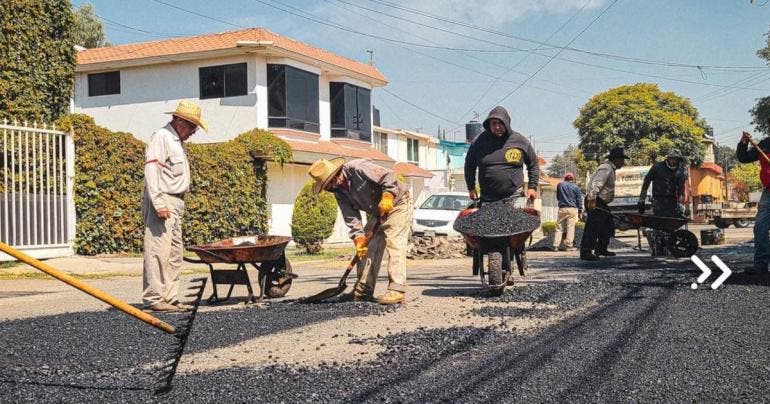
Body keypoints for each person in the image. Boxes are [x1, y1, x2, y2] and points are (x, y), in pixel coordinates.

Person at [308, 157, 413, 305]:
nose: (331, 186)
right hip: (378, 211)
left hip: (398, 203)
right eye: (327, 186)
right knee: (368, 247)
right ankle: (363, 291)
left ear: (337, 172)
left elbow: (388, 176)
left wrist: (388, 196)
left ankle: (397, 289)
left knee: (394, 243)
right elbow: (351, 217)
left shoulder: (357, 167)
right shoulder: (338, 191)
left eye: (331, 180)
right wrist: (358, 239)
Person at [142, 100, 207, 312]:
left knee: (174, 253)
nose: (194, 131)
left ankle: (169, 297)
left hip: (177, 202)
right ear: (179, 121)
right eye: (192, 127)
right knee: (158, 251)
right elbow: (152, 172)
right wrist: (159, 202)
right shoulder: (162, 138)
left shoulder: (177, 141)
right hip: (164, 199)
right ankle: (154, 297)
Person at [464, 106, 539, 203]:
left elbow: (533, 164)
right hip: (488, 198)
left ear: (507, 123)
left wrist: (532, 187)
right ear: (489, 124)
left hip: (514, 197)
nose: (497, 127)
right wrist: (471, 188)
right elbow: (469, 166)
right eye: (493, 123)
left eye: (500, 123)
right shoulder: (478, 142)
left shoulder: (520, 141)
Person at [580, 147, 628, 261]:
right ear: (616, 159)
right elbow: (597, 183)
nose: (623, 162)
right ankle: (585, 251)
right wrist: (592, 198)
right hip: (596, 199)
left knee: (608, 225)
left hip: (600, 201)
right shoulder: (606, 168)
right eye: (622, 159)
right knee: (593, 227)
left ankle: (601, 248)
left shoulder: (610, 168)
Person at [737, 130, 770, 275]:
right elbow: (743, 158)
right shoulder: (764, 145)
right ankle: (761, 265)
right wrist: (743, 143)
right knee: (760, 227)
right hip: (769, 192)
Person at [638, 149, 687, 218]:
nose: (674, 161)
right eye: (672, 158)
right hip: (658, 199)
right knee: (659, 219)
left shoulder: (680, 172)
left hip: (672, 200)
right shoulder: (657, 167)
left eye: (676, 159)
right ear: (668, 158)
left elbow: (681, 190)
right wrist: (642, 199)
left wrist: (681, 204)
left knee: (671, 221)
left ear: (679, 160)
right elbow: (646, 183)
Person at [552, 172, 584, 251]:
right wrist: (580, 209)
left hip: (562, 208)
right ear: (572, 179)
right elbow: (579, 199)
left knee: (559, 227)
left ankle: (556, 245)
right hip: (572, 209)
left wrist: (562, 202)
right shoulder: (575, 187)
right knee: (570, 228)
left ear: (565, 178)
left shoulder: (560, 185)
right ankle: (569, 246)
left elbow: (558, 196)